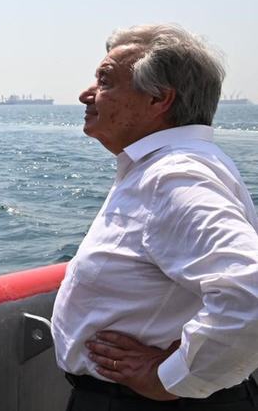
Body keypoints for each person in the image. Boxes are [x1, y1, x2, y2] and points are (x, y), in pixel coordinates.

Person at [52, 23, 258, 410]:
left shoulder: (174, 176)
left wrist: (168, 378)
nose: (86, 94)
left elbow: (251, 291)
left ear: (159, 99)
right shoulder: (170, 167)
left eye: (105, 80)